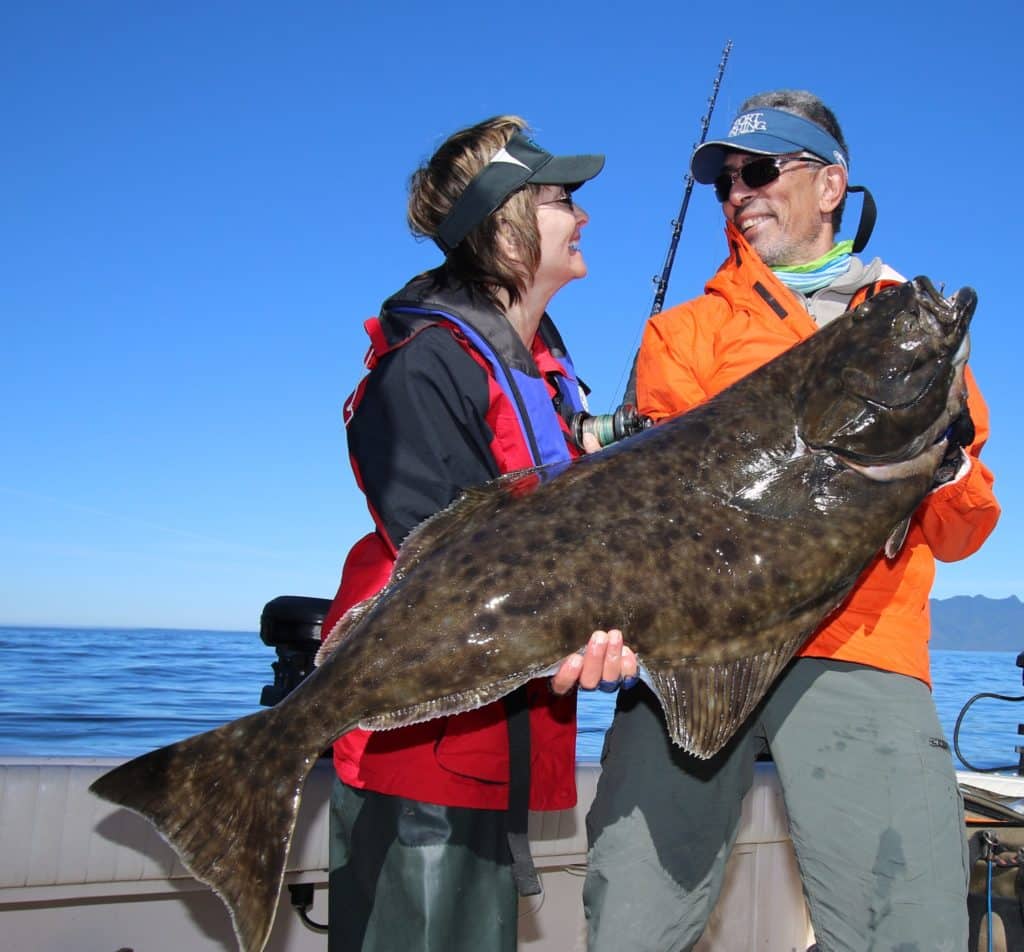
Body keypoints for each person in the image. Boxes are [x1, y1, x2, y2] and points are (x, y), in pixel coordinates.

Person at [583, 90, 1001, 951]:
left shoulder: (905, 327)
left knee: (910, 928)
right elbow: (657, 517)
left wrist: (947, 458)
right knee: (631, 919)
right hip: (694, 649)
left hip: (861, 645)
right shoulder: (682, 334)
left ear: (831, 183)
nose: (740, 192)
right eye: (726, 180)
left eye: (761, 170)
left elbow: (963, 531)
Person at [320, 115, 637, 952]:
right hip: (417, 745)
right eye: (564, 199)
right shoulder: (424, 368)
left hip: (490, 738)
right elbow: (453, 572)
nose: (584, 216)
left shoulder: (540, 368)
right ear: (506, 224)